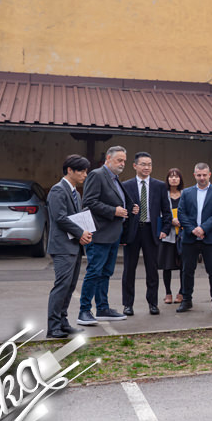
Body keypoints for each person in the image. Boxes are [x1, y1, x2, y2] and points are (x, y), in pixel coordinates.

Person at [78, 145, 133, 325]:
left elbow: (116, 202)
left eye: (124, 161)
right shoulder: (97, 175)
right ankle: (84, 311)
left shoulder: (114, 178)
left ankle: (102, 308)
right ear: (108, 159)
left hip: (113, 234)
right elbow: (89, 201)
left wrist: (128, 208)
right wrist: (113, 211)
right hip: (99, 233)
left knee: (106, 272)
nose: (122, 164)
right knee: (94, 271)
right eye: (119, 160)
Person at [45, 154, 93, 338]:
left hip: (73, 245)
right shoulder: (58, 190)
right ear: (70, 170)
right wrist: (81, 232)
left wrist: (85, 232)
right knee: (61, 286)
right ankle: (53, 326)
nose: (85, 175)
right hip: (62, 247)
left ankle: (63, 322)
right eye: (81, 171)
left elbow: (76, 218)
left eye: (86, 171)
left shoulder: (75, 192)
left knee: (70, 286)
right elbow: (60, 217)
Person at [120, 152, 167, 316]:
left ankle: (153, 303)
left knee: (152, 269)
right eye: (143, 164)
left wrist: (164, 230)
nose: (147, 167)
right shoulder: (126, 185)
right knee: (129, 269)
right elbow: (122, 211)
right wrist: (123, 234)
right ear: (135, 166)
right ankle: (127, 304)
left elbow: (166, 211)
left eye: (149, 164)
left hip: (151, 231)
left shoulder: (159, 185)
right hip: (133, 231)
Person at [176, 162, 212, 313]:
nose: (202, 178)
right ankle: (186, 300)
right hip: (190, 238)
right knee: (187, 270)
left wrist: (203, 228)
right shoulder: (186, 193)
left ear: (209, 174)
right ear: (194, 175)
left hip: (210, 238)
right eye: (199, 175)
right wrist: (193, 230)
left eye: (204, 175)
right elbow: (181, 214)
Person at [158, 168, 184, 304]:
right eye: (171, 176)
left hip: (183, 235)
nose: (174, 179)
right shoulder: (164, 194)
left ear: (180, 179)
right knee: (167, 265)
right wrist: (171, 220)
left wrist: (182, 221)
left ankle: (181, 292)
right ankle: (168, 293)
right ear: (167, 179)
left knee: (184, 265)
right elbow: (158, 211)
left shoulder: (185, 194)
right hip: (168, 235)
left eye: (176, 176)